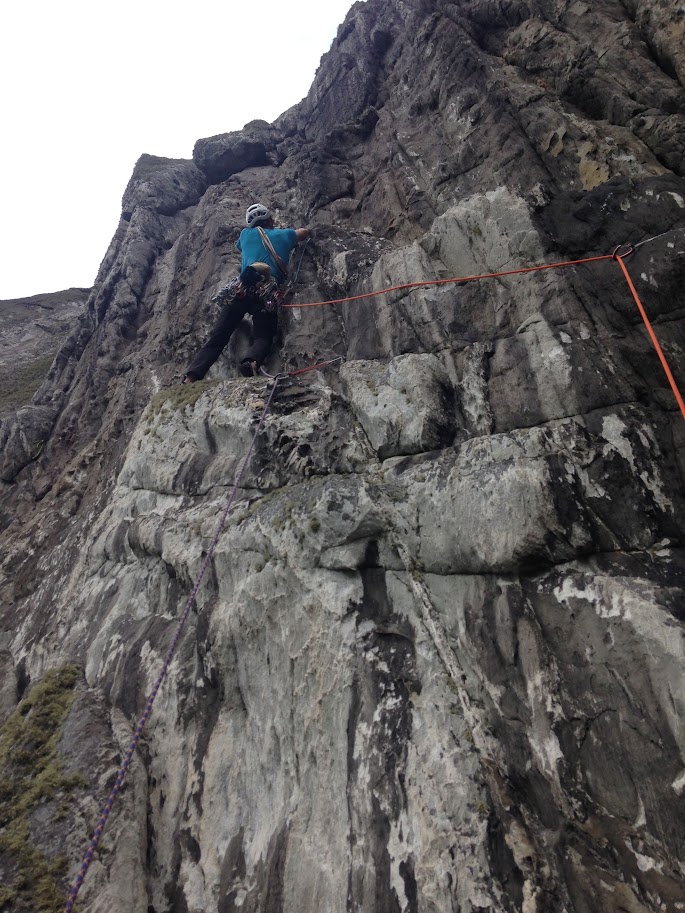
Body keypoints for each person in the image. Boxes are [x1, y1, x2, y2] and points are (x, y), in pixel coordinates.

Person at [183, 204, 309, 381]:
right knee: (263, 336)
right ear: (269, 220)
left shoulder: (245, 235)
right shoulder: (285, 235)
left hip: (241, 289)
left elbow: (240, 246)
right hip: (266, 294)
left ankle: (191, 376)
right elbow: (303, 233)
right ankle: (252, 362)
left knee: (219, 336)